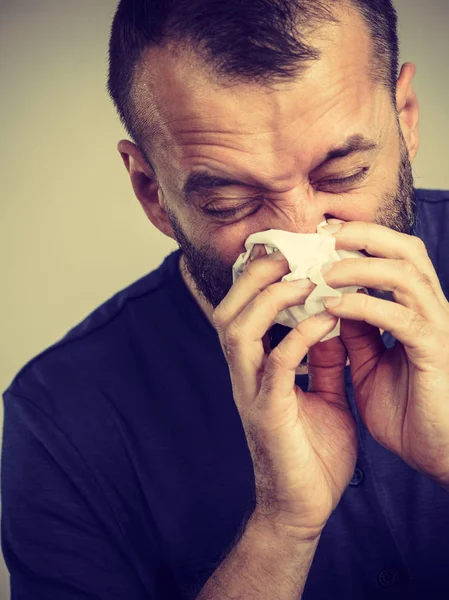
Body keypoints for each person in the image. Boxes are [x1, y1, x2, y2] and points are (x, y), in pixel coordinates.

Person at [2, 0, 449, 598]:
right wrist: (281, 531)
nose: (300, 236)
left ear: (406, 118)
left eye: (343, 174)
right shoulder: (61, 417)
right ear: (151, 191)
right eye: (231, 204)